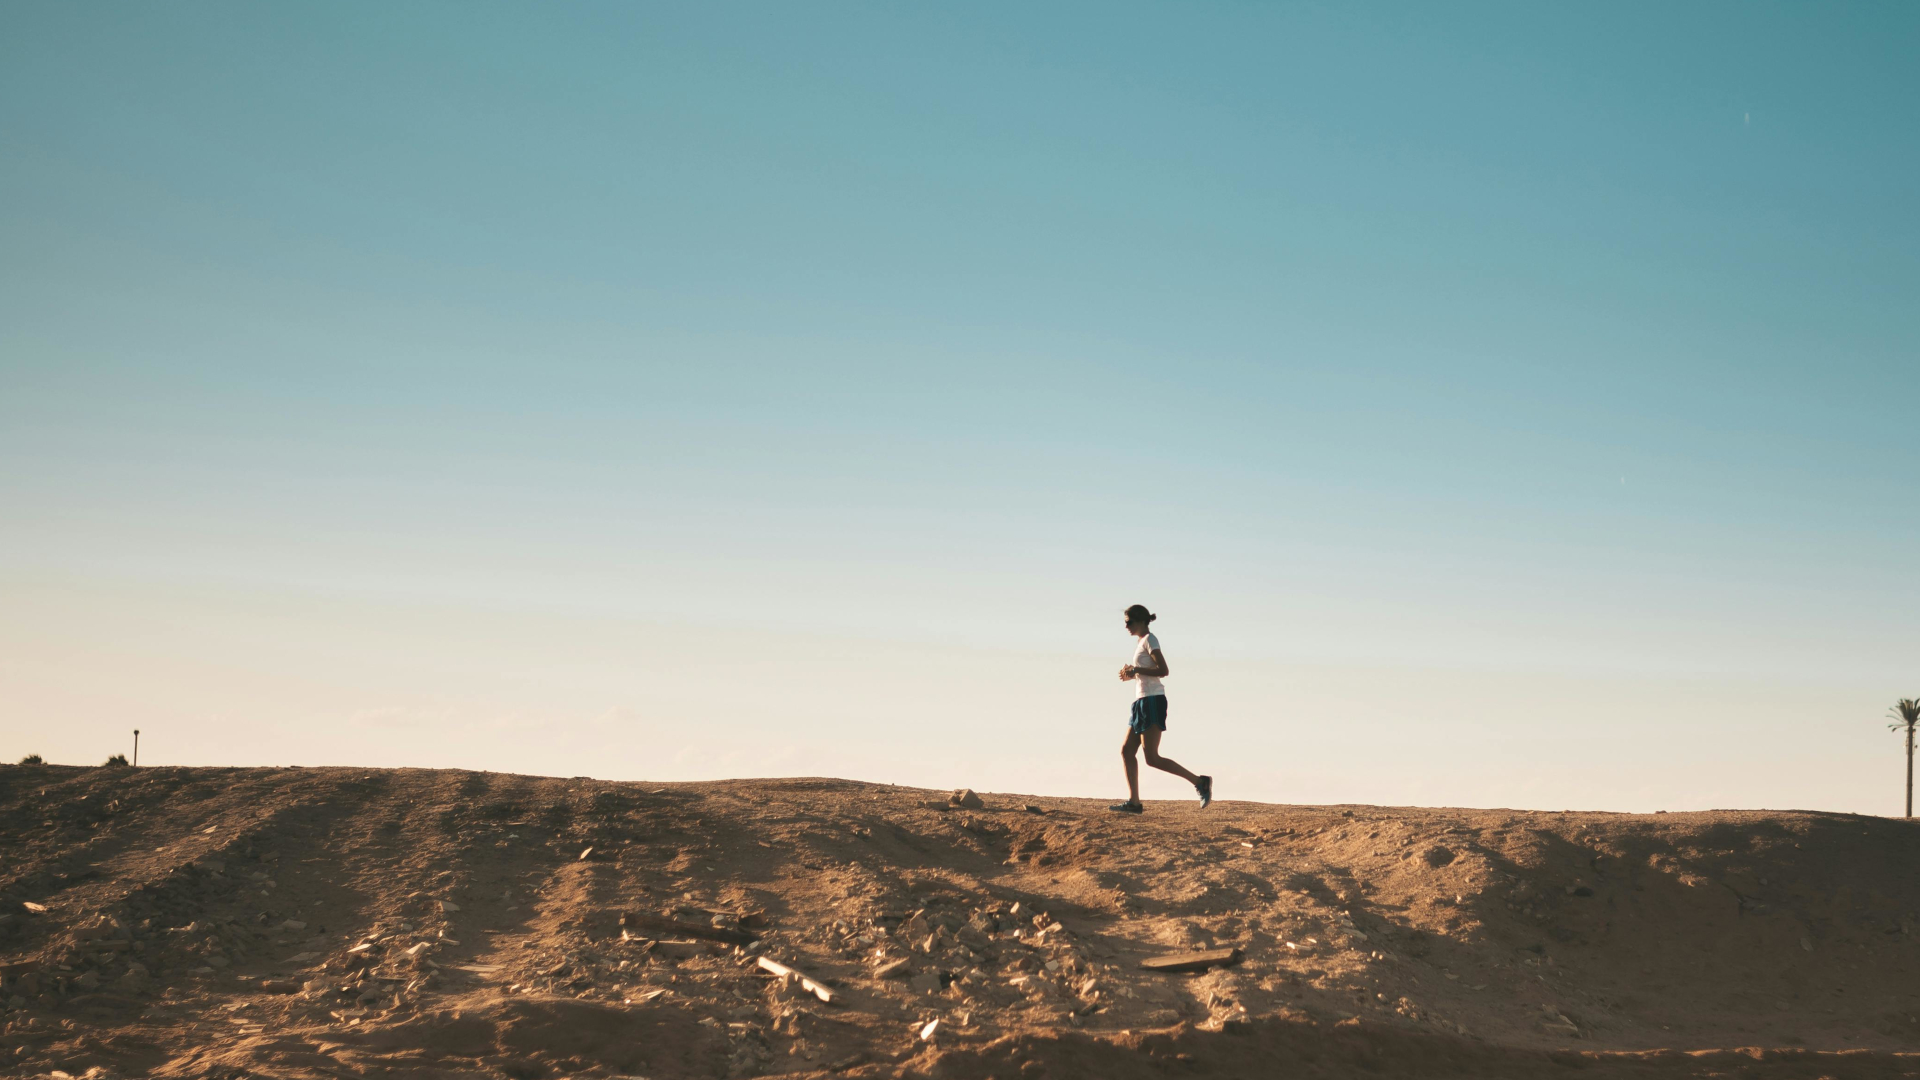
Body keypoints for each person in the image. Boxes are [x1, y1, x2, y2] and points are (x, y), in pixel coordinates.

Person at [1111, 604, 1212, 813]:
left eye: (1129, 622)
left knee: (1152, 758)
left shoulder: (1150, 640)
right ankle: (1134, 802)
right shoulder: (1141, 642)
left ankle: (1200, 782)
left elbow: (1163, 670)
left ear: (1140, 621)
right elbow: (1148, 673)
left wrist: (1136, 669)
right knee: (1127, 751)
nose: (1126, 626)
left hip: (1152, 701)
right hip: (1140, 701)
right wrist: (1132, 675)